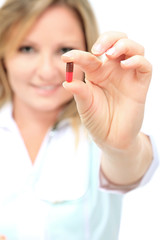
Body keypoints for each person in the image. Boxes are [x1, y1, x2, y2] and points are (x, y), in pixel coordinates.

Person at [0, 0, 153, 239]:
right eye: (27, 49)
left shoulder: (100, 128)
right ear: (3, 54)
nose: (47, 72)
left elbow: (132, 167)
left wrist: (121, 146)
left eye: (64, 51)